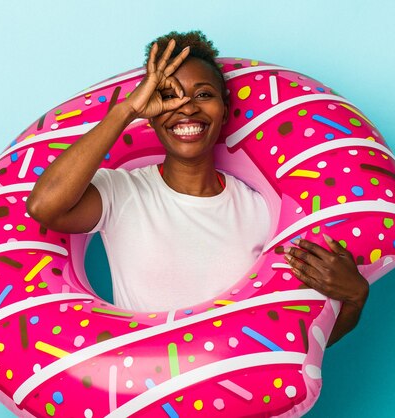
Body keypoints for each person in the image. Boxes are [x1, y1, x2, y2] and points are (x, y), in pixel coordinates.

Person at [26, 31, 369, 346]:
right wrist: (126, 110)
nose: (187, 107)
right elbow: (44, 207)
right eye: (169, 96)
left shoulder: (264, 211)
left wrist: (354, 301)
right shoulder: (120, 192)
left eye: (203, 94)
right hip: (145, 399)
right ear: (152, 113)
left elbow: (294, 341)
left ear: (223, 110)